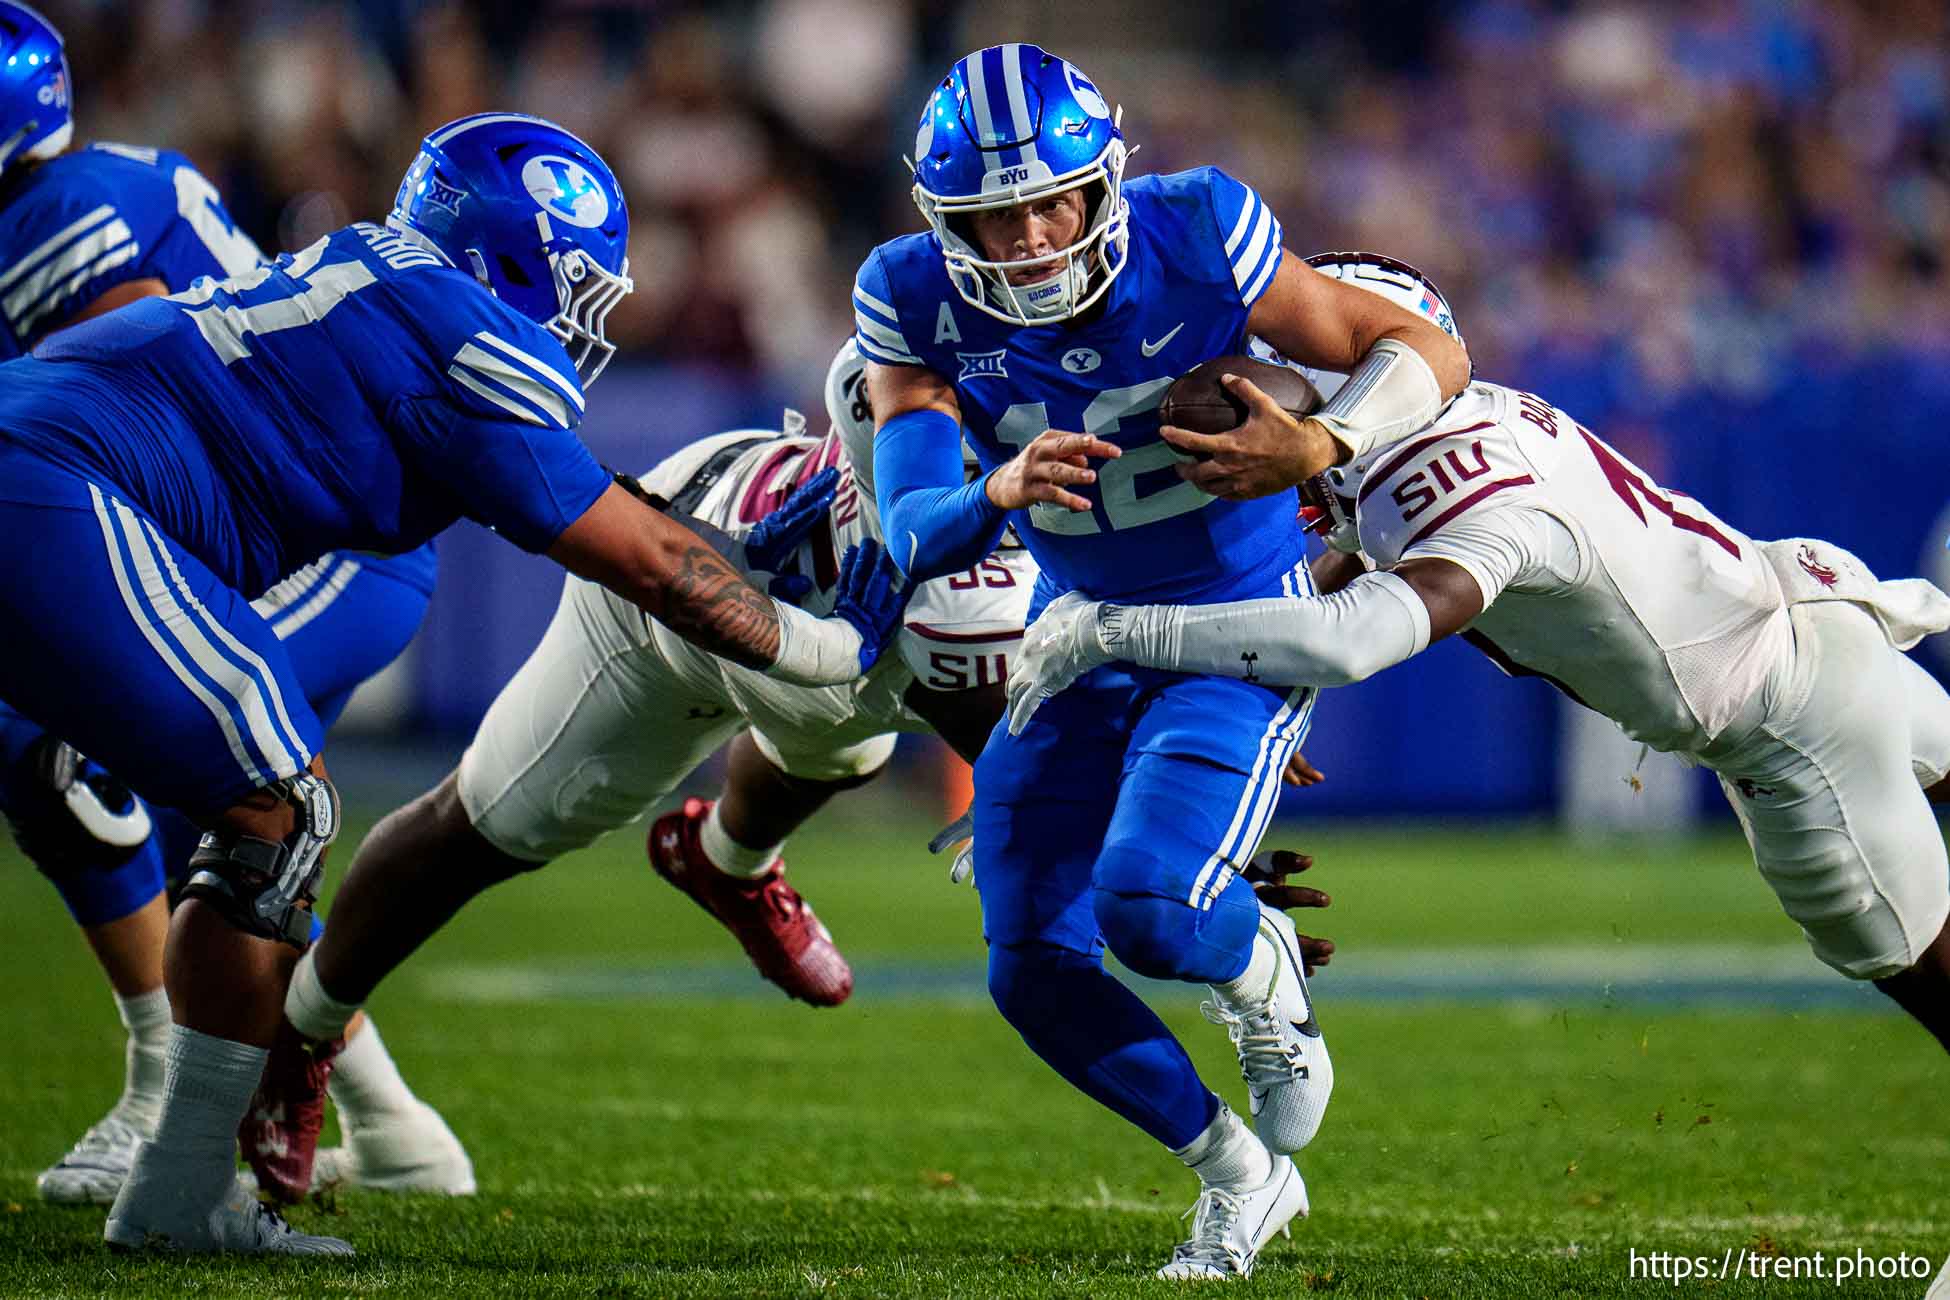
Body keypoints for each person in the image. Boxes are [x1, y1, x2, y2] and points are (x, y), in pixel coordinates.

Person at [0, 109, 904, 1256]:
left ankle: (192, 1166)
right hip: (60, 492)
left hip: (45, 461)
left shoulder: (381, 270)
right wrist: (828, 649)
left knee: (242, 798)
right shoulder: (465, 325)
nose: (584, 315)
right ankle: (178, 1192)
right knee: (273, 807)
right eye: (576, 281)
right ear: (514, 254)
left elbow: (628, 513)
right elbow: (646, 559)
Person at [1008, 256, 1950, 1064]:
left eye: (1307, 364)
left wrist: (1111, 630)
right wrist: (1245, 711)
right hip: (1816, 629)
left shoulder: (1444, 481)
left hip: (1794, 728)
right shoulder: (1461, 422)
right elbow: (1335, 576)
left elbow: (1354, 636)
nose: (1268, 389)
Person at [853, 44, 1470, 1279]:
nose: (1029, 238)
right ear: (942, 219)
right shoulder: (910, 293)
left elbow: (1421, 348)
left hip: (1236, 626)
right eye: (994, 214)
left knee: (1147, 901)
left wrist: (1324, 440)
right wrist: (997, 486)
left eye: (1052, 201)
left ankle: (1258, 971)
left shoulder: (1197, 231)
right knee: (1027, 964)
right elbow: (912, 525)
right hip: (1080, 633)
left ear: (1104, 185)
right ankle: (1243, 1180)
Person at [0, 1, 463, 1208]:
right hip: (279, 531)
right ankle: (394, 1123)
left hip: (311, 541)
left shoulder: (55, 218)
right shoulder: (88, 187)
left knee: (78, 754)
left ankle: (168, 1094)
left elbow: (108, 435)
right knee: (194, 804)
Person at [287, 339, 1029, 1035]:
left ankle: (725, 861)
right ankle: (304, 1029)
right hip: (686, 604)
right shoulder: (945, 597)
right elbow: (814, 653)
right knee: (488, 825)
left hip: (839, 641)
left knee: (844, 741)